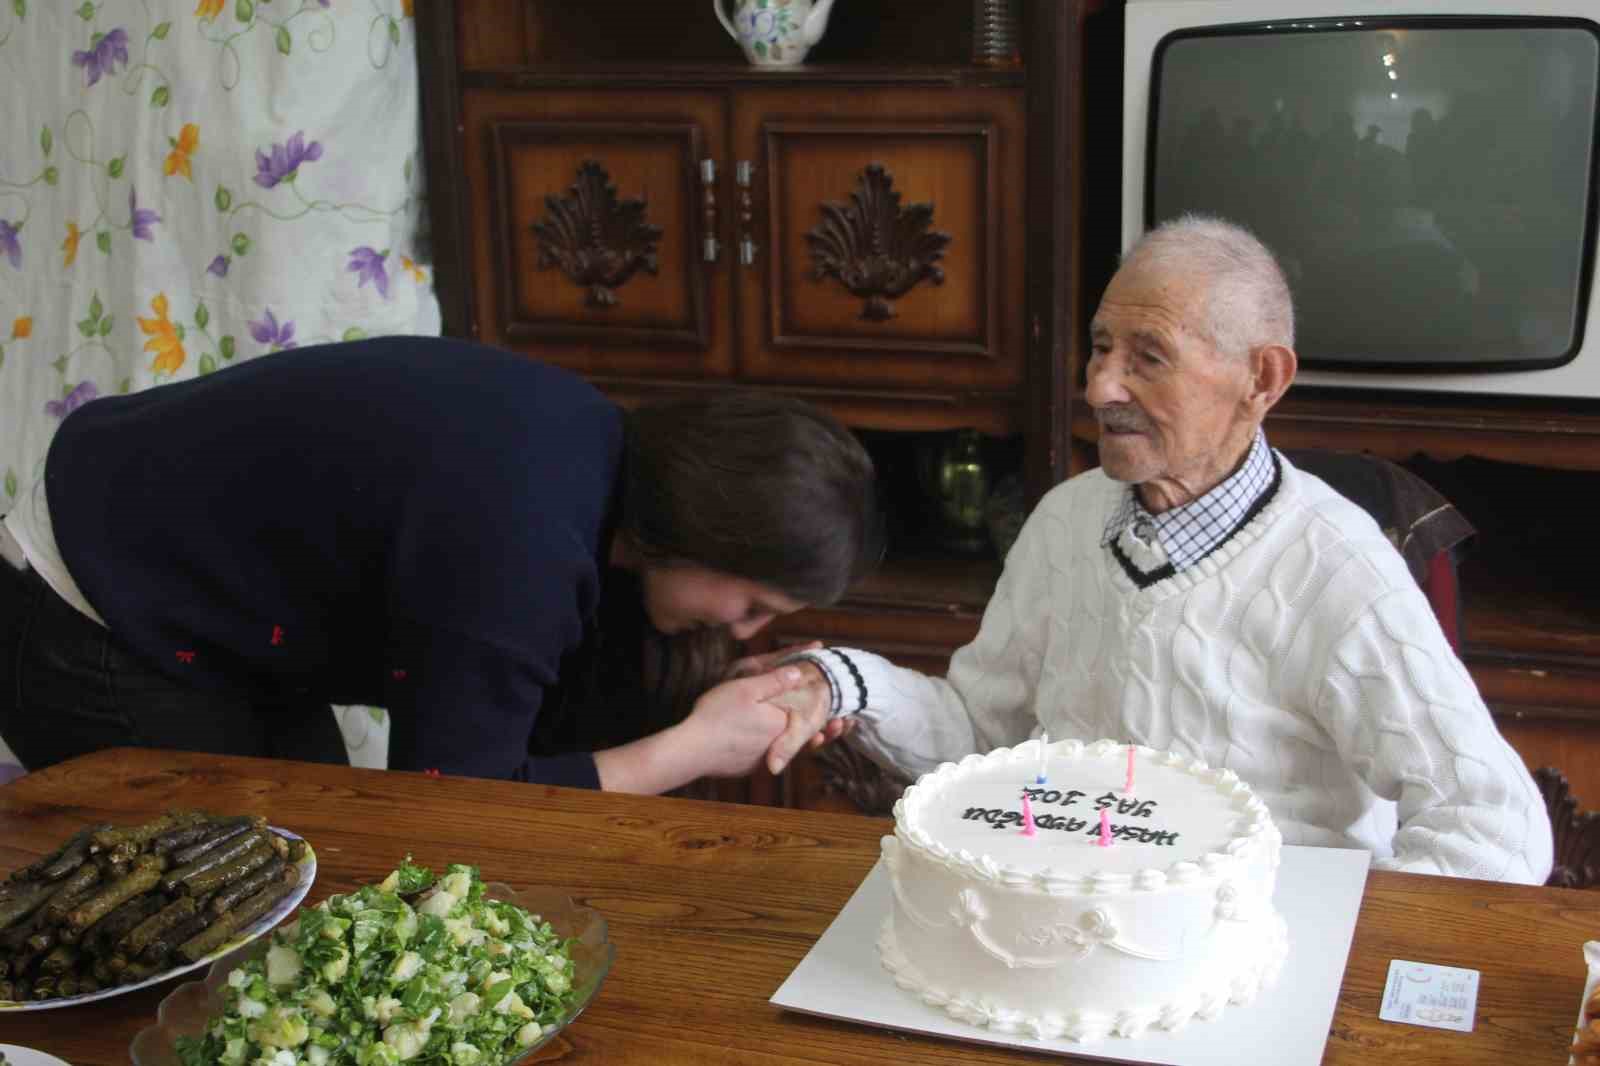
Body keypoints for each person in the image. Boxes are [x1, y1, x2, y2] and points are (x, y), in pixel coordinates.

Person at [762, 214, 1554, 885]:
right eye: (1100, 347)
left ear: (1262, 379)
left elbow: (1492, 825)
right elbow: (981, 734)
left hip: (1259, 954)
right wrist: (843, 682)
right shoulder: (1066, 520)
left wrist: (1338, 951)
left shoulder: (1337, 566)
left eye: (1148, 357)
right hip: (1075, 924)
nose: (1100, 387)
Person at [0, 335, 881, 794]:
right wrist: (688, 750)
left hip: (185, 597)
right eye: (754, 605)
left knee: (316, 859)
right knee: (230, 941)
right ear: (708, 527)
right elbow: (452, 806)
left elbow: (523, 713)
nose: (745, 631)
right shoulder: (523, 540)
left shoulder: (594, 457)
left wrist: (708, 698)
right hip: (95, 606)